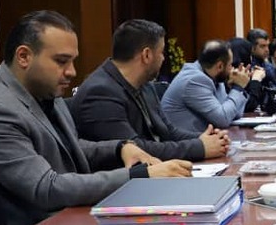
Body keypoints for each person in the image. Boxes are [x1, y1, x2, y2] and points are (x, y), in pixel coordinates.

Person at [0, 10, 191, 225]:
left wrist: (120, 147)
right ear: (24, 56)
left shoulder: (43, 90)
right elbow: (46, 188)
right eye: (61, 61)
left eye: (73, 61)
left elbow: (70, 148)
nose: (72, 72)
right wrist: (139, 175)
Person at [70, 19, 230, 162]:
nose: (163, 58)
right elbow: (135, 149)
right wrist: (199, 147)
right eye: (161, 52)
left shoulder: (145, 84)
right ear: (146, 55)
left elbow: (169, 131)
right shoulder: (100, 93)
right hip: (127, 182)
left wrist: (207, 139)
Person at [161, 39, 258, 131]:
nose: (232, 69)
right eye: (230, 65)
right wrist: (238, 87)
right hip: (183, 140)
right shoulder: (194, 80)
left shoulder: (213, 75)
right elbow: (223, 119)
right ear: (220, 66)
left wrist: (235, 87)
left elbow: (234, 114)